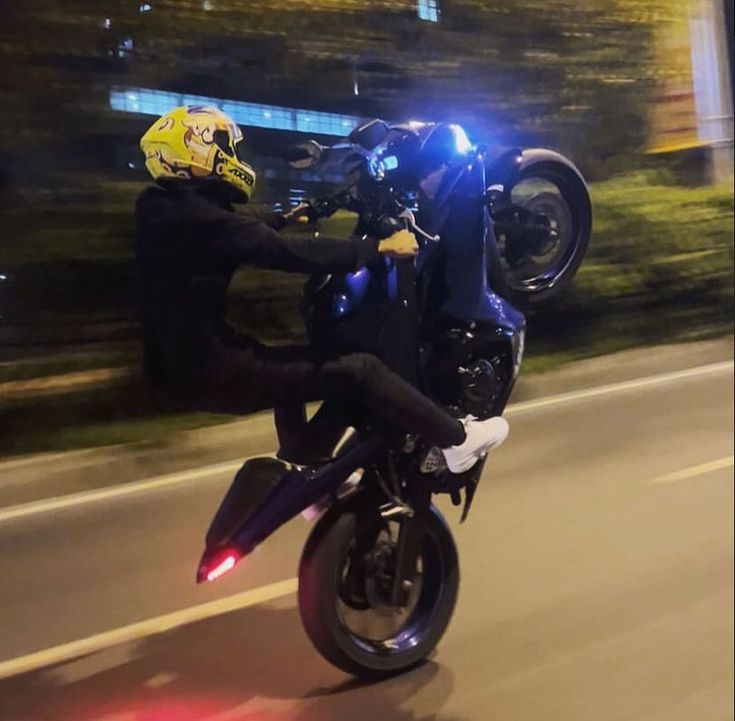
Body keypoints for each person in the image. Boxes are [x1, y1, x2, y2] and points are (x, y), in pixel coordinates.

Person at [134, 105, 508, 473]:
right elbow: (284, 252)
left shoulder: (163, 210)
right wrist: (378, 247)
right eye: (223, 145)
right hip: (215, 371)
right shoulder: (202, 222)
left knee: (291, 367)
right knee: (362, 369)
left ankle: (304, 460)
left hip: (181, 372)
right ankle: (456, 442)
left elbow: (236, 231)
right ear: (195, 149)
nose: (231, 154)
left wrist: (285, 217)